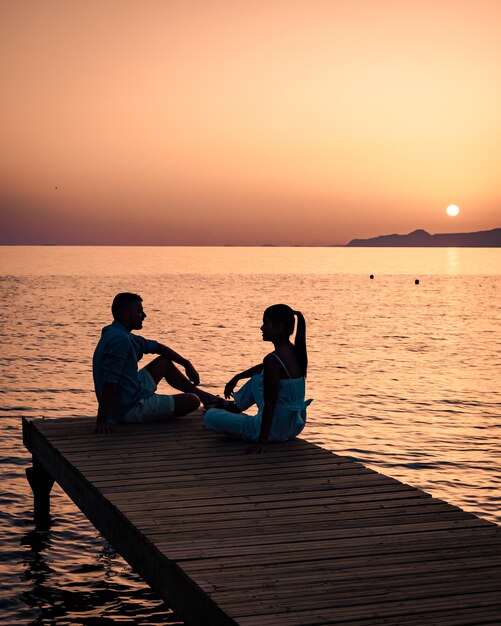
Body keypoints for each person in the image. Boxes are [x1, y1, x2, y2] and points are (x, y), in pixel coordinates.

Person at [93, 292, 222, 433]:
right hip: (127, 408)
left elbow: (157, 347)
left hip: (131, 391)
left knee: (164, 362)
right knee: (192, 401)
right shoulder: (119, 341)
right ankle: (202, 400)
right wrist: (102, 420)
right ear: (125, 314)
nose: (144, 315)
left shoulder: (117, 332)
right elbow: (109, 382)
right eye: (139, 311)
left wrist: (186, 364)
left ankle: (208, 399)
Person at [204, 304, 312, 453]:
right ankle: (234, 407)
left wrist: (261, 442)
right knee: (256, 379)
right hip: (294, 426)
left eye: (266, 323)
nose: (261, 328)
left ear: (279, 327)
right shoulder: (296, 353)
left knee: (210, 416)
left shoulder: (272, 360)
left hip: (271, 430)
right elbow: (264, 368)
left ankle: (230, 409)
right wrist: (238, 376)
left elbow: (270, 404)